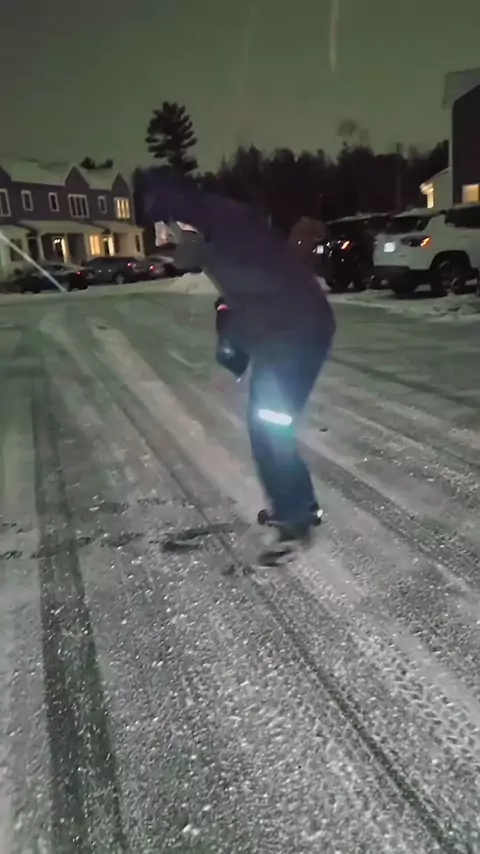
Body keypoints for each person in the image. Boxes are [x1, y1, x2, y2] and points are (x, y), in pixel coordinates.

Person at [143, 168, 336, 554]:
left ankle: (296, 516)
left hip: (296, 331)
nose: (166, 239)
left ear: (181, 215)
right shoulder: (218, 225)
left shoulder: (229, 225)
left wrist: (206, 255)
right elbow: (241, 291)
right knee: (269, 427)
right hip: (284, 331)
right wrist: (228, 324)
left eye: (167, 228)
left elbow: (262, 279)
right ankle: (298, 505)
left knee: (270, 427)